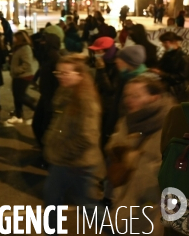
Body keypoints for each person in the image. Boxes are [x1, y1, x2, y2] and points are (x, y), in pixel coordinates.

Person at [43, 55, 105, 231]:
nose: (60, 76)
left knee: (89, 207)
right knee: (51, 201)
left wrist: (60, 152)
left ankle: (119, 232)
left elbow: (88, 137)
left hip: (79, 164)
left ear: (79, 75)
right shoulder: (66, 92)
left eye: (65, 72)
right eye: (58, 72)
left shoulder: (86, 100)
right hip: (62, 162)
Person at [106, 76, 173, 235]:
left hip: (150, 205)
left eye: (135, 96)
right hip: (125, 196)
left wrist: (137, 162)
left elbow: (170, 171)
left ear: (154, 97)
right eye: (127, 95)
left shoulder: (170, 125)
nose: (128, 100)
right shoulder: (128, 120)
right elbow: (113, 146)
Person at [32, 32, 61, 148]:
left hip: (51, 99)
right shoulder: (47, 56)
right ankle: (44, 150)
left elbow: (58, 82)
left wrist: (54, 101)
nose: (41, 43)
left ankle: (46, 154)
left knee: (43, 127)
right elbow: (34, 43)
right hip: (45, 96)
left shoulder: (55, 58)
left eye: (44, 41)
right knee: (38, 125)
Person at [7, 31, 35, 124]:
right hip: (18, 76)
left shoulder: (25, 48)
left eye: (15, 37)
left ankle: (36, 109)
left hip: (24, 76)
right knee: (17, 96)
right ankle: (18, 115)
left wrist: (16, 70)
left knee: (19, 96)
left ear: (19, 39)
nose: (13, 39)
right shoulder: (17, 47)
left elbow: (27, 64)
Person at [153, 32, 189, 102]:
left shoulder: (183, 58)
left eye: (166, 42)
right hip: (167, 86)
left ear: (174, 42)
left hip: (177, 90)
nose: (164, 45)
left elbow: (182, 77)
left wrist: (162, 74)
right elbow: (161, 65)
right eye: (163, 42)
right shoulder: (168, 54)